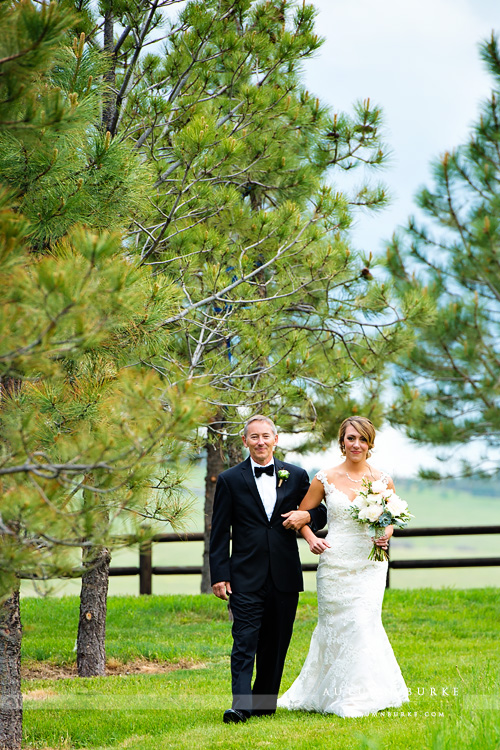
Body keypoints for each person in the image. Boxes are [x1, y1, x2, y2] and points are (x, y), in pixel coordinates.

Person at [278, 416, 409, 718]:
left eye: (362, 439)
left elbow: (391, 519)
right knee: (335, 627)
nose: (356, 444)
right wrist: (310, 538)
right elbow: (301, 515)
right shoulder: (325, 477)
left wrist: (385, 534)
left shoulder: (382, 478)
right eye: (351, 438)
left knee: (363, 623)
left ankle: (359, 696)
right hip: (335, 564)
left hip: (368, 565)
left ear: (370, 443)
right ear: (342, 442)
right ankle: (328, 691)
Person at [209, 415, 327, 724]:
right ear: (244, 442)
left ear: (275, 439)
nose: (260, 442)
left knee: (276, 643)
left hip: (285, 574)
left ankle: (263, 704)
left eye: (266, 436)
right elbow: (219, 532)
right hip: (244, 575)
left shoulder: (298, 475)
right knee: (244, 639)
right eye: (254, 437)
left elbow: (320, 512)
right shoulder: (230, 479)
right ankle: (240, 705)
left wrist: (306, 517)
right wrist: (219, 573)